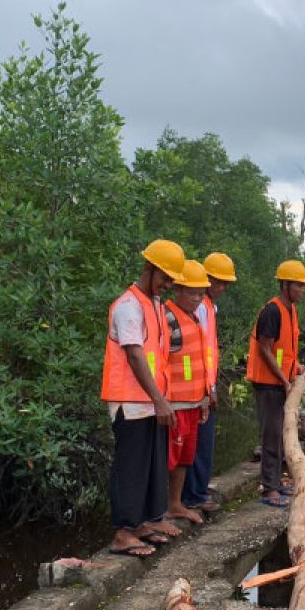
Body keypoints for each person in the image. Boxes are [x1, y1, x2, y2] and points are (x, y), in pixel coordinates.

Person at [100, 239, 187, 558]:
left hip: (150, 399)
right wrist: (160, 400)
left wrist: (162, 399)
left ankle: (143, 523)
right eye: (165, 278)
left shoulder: (153, 304)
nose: (167, 285)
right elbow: (135, 355)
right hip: (130, 399)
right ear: (149, 269)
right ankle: (124, 533)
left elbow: (159, 356)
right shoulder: (128, 305)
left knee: (151, 463)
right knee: (131, 466)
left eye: (171, 280)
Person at [246, 259, 305, 508]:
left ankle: (276, 483)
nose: (302, 290)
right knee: (271, 435)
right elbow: (265, 349)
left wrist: (297, 369)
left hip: (280, 382)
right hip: (268, 384)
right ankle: (269, 489)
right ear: (285, 284)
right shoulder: (272, 310)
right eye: (298, 286)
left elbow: (286, 349)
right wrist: (284, 379)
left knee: (281, 433)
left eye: (303, 286)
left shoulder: (290, 310)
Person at [181, 251, 236, 512]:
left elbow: (210, 350)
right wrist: (208, 389)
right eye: (219, 281)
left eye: (226, 283)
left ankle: (196, 491)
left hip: (205, 384)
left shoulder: (210, 308)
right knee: (199, 443)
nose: (223, 287)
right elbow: (198, 352)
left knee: (202, 442)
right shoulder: (200, 307)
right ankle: (194, 495)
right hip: (198, 387)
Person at [163, 259, 211, 526]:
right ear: (178, 290)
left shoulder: (194, 317)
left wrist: (203, 398)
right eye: (192, 292)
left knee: (185, 457)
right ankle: (162, 508)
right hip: (174, 404)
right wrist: (163, 401)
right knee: (169, 457)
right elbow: (158, 362)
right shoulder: (168, 317)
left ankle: (175, 504)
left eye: (200, 293)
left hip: (192, 403)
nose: (197, 298)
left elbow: (198, 362)